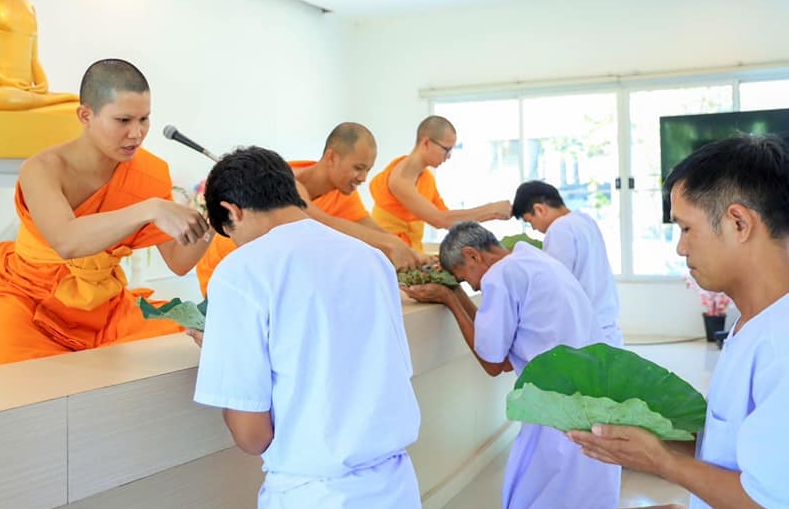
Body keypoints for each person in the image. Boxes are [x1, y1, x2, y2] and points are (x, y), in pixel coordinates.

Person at [0, 59, 211, 373]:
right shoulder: (41, 169)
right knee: (7, 375)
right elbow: (67, 240)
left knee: (182, 341)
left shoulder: (149, 173)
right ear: (85, 115)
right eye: (123, 120)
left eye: (144, 119)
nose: (137, 133)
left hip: (101, 307)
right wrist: (151, 209)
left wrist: (213, 212)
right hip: (28, 298)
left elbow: (179, 261)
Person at [192, 146, 423, 509]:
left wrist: (223, 353)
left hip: (315, 500)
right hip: (395, 492)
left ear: (232, 211)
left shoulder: (241, 271)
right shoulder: (371, 259)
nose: (238, 245)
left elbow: (252, 436)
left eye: (231, 234)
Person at [570, 135, 789, 509]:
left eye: (686, 229)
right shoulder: (751, 324)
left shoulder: (781, 342)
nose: (681, 249)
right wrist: (651, 436)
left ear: (739, 222)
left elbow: (773, 508)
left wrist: (662, 463)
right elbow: (736, 450)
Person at [402, 221, 619, 509]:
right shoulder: (531, 260)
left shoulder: (500, 275)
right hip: (589, 390)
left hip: (558, 401)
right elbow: (495, 336)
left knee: (538, 506)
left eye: (466, 279)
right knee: (580, 503)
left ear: (473, 255)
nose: (474, 287)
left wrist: (451, 299)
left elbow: (494, 362)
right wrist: (454, 293)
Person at [194, 122, 423, 296]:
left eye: (368, 170)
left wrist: (412, 254)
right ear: (331, 157)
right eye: (358, 168)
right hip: (228, 270)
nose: (362, 178)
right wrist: (391, 245)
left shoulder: (343, 194)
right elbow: (317, 225)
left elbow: (368, 229)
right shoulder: (287, 181)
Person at [369, 115, 511, 252]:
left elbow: (449, 219)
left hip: (413, 255)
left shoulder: (427, 178)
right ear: (426, 143)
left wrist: (493, 215)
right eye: (446, 149)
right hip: (387, 256)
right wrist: (491, 208)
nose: (448, 156)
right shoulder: (399, 179)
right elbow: (440, 220)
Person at [511, 180, 623, 346]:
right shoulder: (585, 220)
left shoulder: (559, 229)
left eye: (529, 221)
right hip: (606, 322)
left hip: (584, 331)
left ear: (539, 209)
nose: (534, 229)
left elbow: (554, 286)